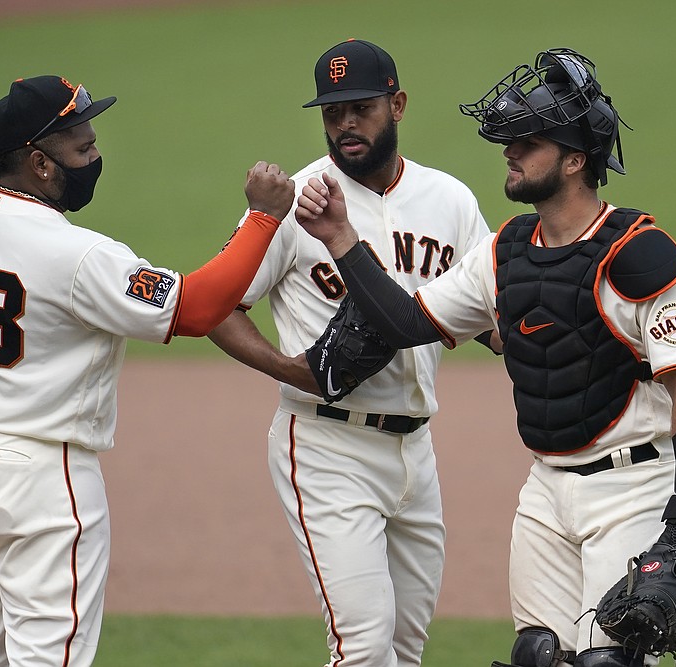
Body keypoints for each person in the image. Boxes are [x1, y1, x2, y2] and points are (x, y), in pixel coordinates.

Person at [295, 48, 676, 667]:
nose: (511, 152)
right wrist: (341, 238)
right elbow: (404, 322)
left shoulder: (640, 253)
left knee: (610, 661)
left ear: (574, 160)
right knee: (538, 656)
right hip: (546, 490)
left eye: (529, 143)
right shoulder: (502, 253)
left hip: (634, 484)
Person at [0, 74, 294, 666]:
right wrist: (261, 219)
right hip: (34, 481)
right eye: (82, 149)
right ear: (39, 162)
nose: (95, 158)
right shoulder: (78, 255)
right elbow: (194, 309)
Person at [207, 40, 493, 667]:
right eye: (332, 113)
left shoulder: (451, 201)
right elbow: (219, 307)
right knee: (362, 649)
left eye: (360, 108)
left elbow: (492, 315)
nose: (345, 125)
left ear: (398, 104)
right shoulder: (297, 201)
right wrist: (290, 371)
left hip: (416, 451)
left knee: (405, 650)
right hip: (326, 447)